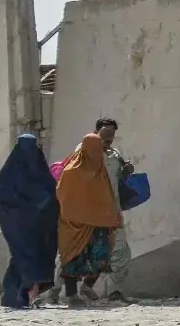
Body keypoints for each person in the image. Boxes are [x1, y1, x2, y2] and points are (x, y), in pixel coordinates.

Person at [55, 132, 124, 307]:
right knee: (73, 259)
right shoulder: (71, 172)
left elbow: (108, 196)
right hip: (74, 225)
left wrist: (112, 215)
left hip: (99, 224)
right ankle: (71, 295)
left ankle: (87, 286)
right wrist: (81, 214)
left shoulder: (102, 171)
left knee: (102, 256)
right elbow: (63, 197)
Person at [0, 133, 58, 308]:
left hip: (39, 225)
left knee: (32, 256)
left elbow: (52, 193)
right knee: (23, 256)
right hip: (17, 226)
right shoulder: (9, 175)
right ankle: (29, 293)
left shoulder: (41, 172)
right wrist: (25, 204)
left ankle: (16, 295)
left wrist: (43, 203)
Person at [92, 117, 137, 302]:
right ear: (96, 132)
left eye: (112, 135)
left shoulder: (115, 154)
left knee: (121, 252)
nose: (108, 138)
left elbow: (117, 180)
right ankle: (53, 291)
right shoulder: (84, 152)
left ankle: (115, 292)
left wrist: (126, 171)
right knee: (75, 251)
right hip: (88, 213)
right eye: (105, 134)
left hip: (112, 211)